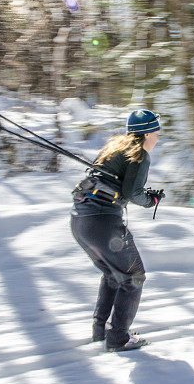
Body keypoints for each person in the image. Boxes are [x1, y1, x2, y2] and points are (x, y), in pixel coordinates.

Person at [70, 109, 165, 352]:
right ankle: (119, 337)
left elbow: (119, 184)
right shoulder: (140, 154)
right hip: (103, 223)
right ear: (146, 133)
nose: (158, 136)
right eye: (156, 131)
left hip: (81, 222)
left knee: (115, 275)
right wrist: (151, 201)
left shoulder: (113, 148)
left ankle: (101, 331)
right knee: (134, 276)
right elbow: (133, 193)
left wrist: (142, 195)